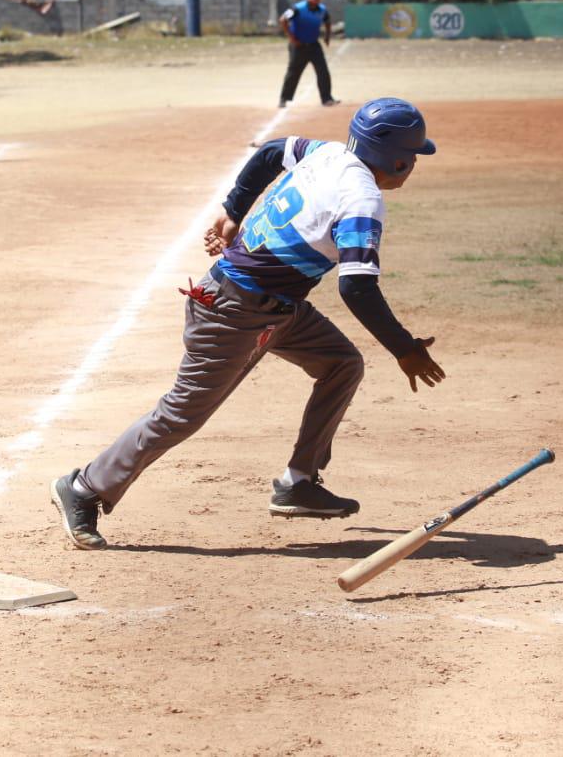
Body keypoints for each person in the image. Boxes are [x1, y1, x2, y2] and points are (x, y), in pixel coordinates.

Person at [50, 98, 446, 550]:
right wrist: (404, 348)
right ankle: (83, 488)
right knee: (181, 414)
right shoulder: (363, 200)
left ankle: (298, 482)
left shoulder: (330, 153)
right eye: (413, 155)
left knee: (342, 363)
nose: (413, 163)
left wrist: (234, 209)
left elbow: (271, 152)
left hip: (273, 308)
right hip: (233, 312)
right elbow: (356, 288)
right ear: (398, 159)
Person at [277, 0, 339, 108]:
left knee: (323, 71)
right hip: (298, 45)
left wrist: (327, 36)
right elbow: (283, 20)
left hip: (314, 45)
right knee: (293, 72)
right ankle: (284, 99)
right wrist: (292, 38)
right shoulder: (297, 8)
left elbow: (327, 21)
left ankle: (327, 98)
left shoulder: (322, 10)